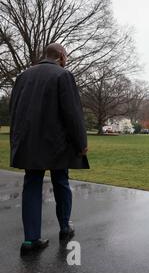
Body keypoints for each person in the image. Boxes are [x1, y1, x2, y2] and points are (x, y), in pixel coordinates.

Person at [9, 43, 89, 256]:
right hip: (57, 144)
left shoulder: (23, 76)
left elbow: (14, 109)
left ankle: (30, 239)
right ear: (61, 56)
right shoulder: (63, 75)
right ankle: (65, 226)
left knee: (32, 185)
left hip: (29, 141)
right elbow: (72, 113)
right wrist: (81, 143)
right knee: (61, 181)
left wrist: (16, 139)